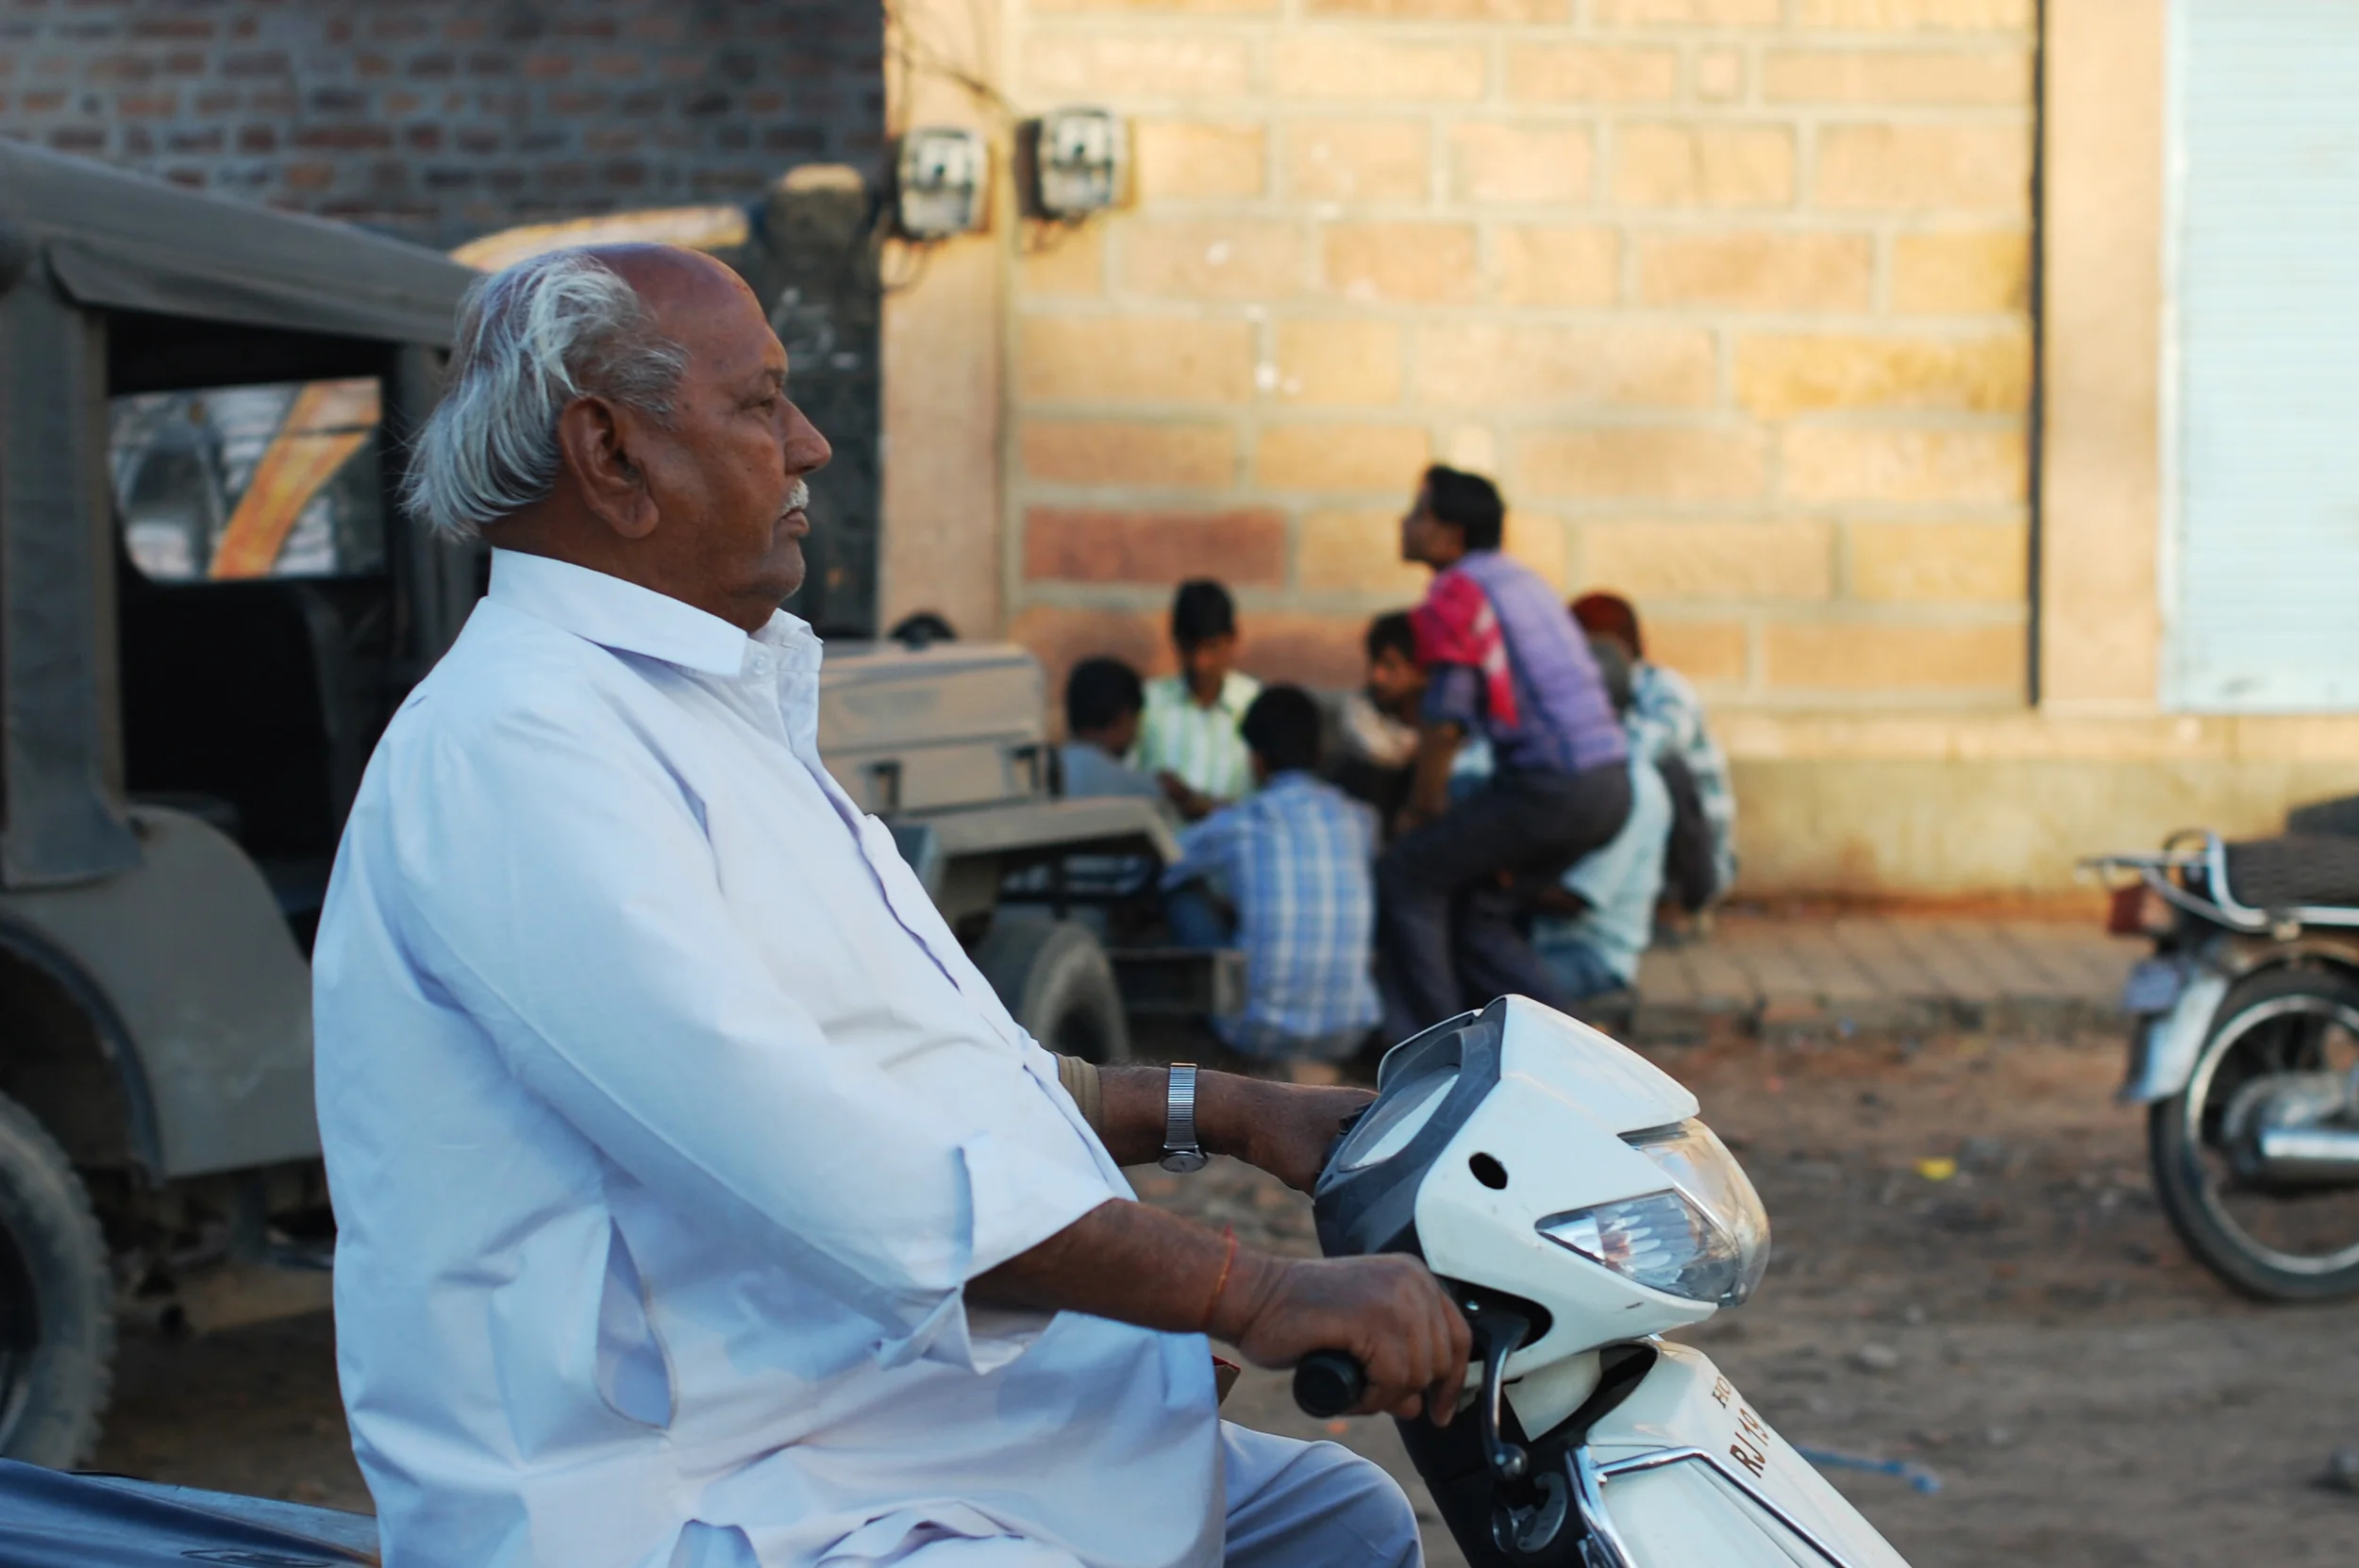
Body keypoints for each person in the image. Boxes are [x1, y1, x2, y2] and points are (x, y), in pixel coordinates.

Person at [312, 244, 1468, 1568]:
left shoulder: (698, 705)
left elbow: (925, 1070)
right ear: (611, 453)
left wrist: (1231, 1109)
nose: (806, 444)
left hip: (849, 1415)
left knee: (1340, 1519)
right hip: (664, 1487)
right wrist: (1251, 1291)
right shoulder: (515, 743)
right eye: (758, 404)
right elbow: (842, 1168)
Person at [1378, 466, 1631, 1034]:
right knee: (1482, 912)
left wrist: (1420, 809)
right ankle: (1578, 1057)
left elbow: (1444, 722)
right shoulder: (1521, 580)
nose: (1406, 522)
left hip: (1552, 787)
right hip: (1610, 781)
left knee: (1406, 873)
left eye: (1419, 512)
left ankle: (1437, 1061)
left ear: (1450, 534)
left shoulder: (1455, 591)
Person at [1162, 686, 1382, 1073]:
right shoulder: (1360, 820)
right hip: (1350, 1031)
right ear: (1318, 755)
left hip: (1256, 1031)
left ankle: (1189, 1030)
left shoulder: (1243, 821)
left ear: (1257, 762)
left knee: (1179, 892)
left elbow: (1163, 861)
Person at [1529, 639, 1673, 1002]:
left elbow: (1575, 899)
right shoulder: (1580, 767)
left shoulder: (1632, 785)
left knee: (1491, 991)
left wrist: (1496, 881)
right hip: (1544, 936)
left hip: (1590, 955)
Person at [1571, 591, 1737, 903]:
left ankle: (1680, 904)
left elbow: (1648, 748)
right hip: (1636, 856)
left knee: (1660, 772)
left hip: (1695, 867)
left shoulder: (1666, 690)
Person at [1132, 578, 1261, 820]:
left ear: (1232, 640)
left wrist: (1202, 806)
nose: (1200, 663)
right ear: (1175, 642)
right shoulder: (1149, 703)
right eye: (1189, 648)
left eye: (1211, 647)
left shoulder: (1256, 706)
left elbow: (1270, 802)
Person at [1328, 611, 1422, 826]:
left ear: (1421, 671)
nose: (1376, 676)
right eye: (1374, 663)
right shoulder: (1362, 720)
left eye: (1390, 666)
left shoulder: (1445, 730)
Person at [1058, 655, 1161, 801]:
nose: (1136, 736)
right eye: (1136, 720)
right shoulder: (1131, 787)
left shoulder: (1045, 775)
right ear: (1123, 716)